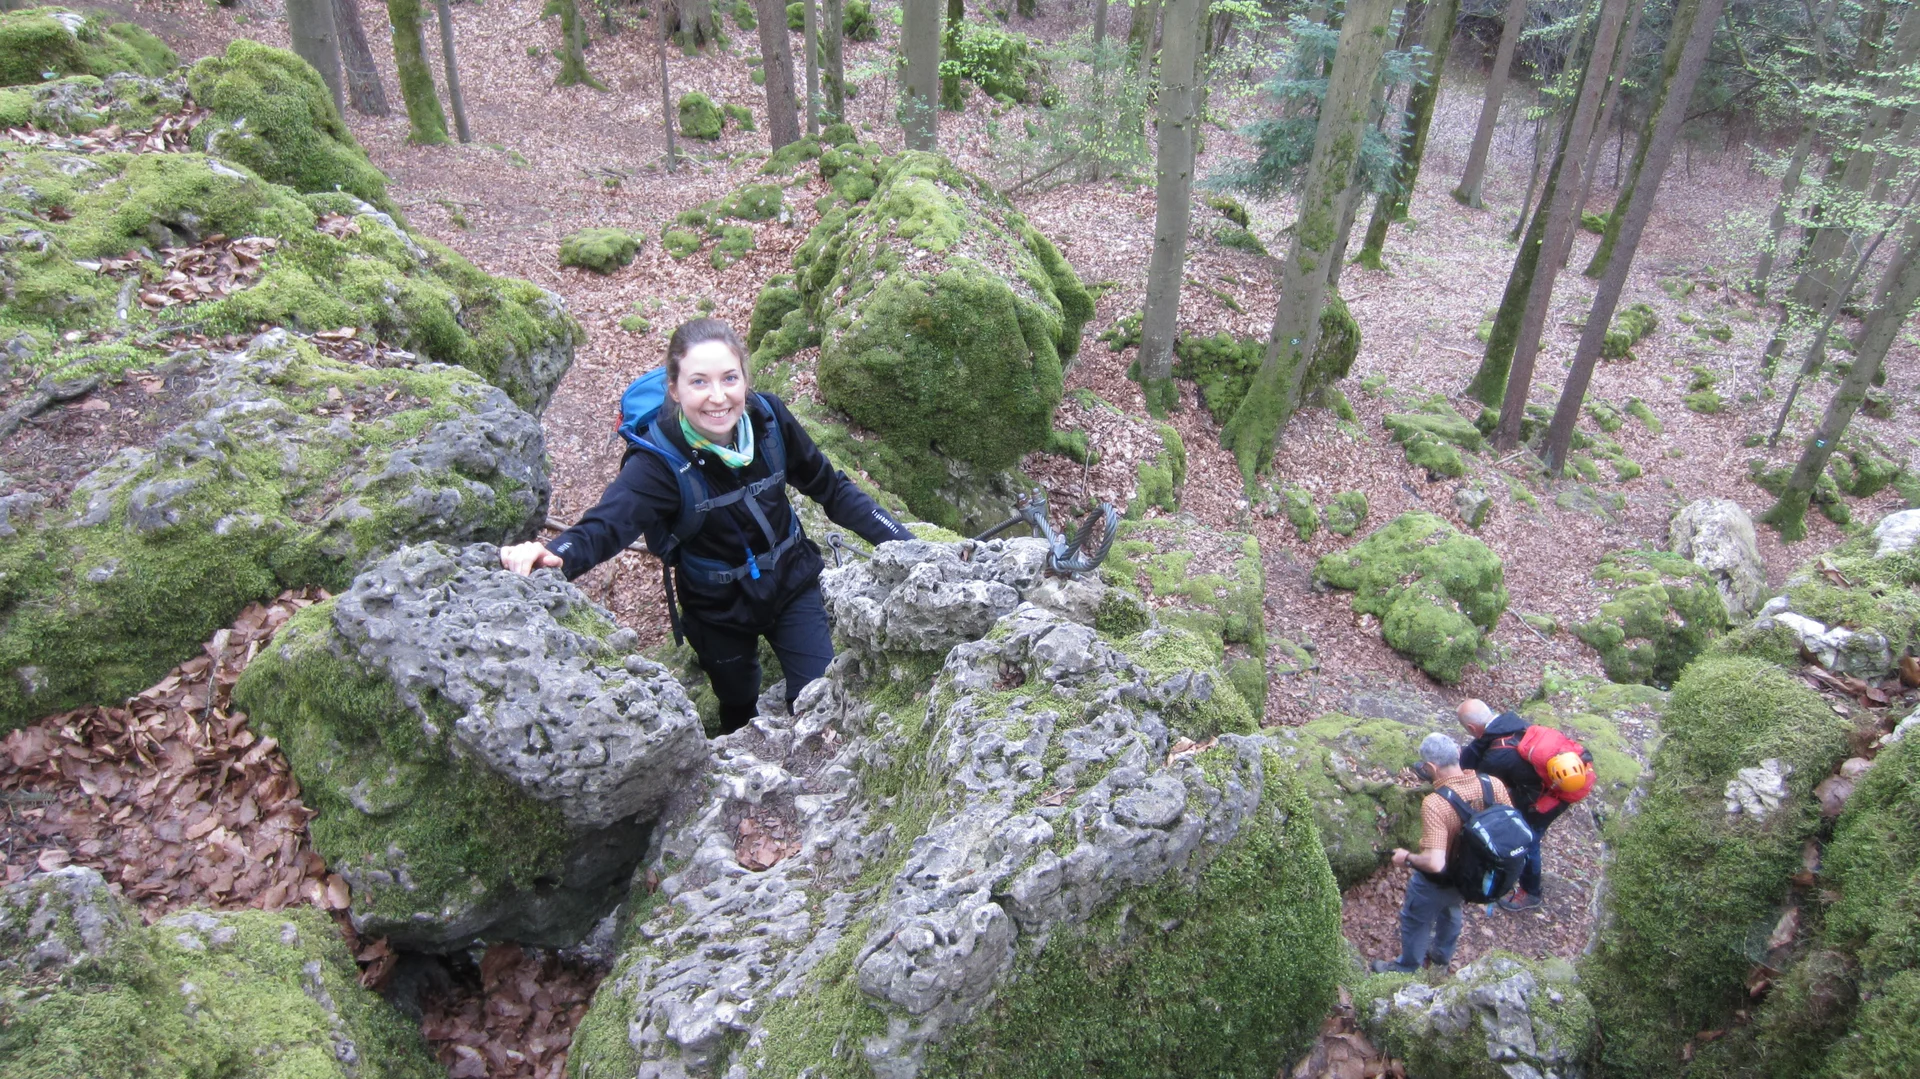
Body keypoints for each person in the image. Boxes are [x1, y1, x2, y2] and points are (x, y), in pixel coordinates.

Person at [500, 319, 914, 734]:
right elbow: (608, 524)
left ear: (745, 380)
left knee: (819, 697)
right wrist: (556, 555)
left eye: (729, 378)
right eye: (699, 382)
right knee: (737, 700)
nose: (718, 398)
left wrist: (910, 546)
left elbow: (832, 489)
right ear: (675, 390)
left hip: (792, 582)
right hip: (717, 608)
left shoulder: (769, 422)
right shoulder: (658, 464)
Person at [1370, 732, 1513, 974]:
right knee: (1452, 910)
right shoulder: (1493, 784)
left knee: (1415, 919)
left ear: (1429, 767)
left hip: (1439, 880)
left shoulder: (1436, 804)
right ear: (1458, 754)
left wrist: (1407, 858)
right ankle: (1441, 957)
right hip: (1474, 874)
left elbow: (1435, 863)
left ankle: (1407, 966)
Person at [1457, 698, 1592, 913]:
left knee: (1529, 840)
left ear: (1472, 728)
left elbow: (1483, 783)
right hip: (1553, 786)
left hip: (1547, 800)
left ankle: (1531, 892)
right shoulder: (1514, 723)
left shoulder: (1497, 758)